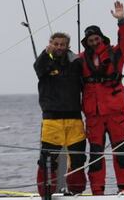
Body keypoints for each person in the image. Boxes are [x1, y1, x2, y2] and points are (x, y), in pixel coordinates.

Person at [79, 1, 124, 195]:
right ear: (86, 42)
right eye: (90, 40)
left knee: (122, 153)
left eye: (96, 38)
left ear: (101, 38)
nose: (93, 42)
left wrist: (121, 20)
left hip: (115, 113)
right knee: (95, 156)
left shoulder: (115, 53)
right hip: (94, 116)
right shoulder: (80, 59)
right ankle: (97, 194)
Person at [33, 32, 87, 196]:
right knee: (47, 160)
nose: (59, 47)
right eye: (56, 44)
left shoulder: (76, 62)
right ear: (50, 43)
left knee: (77, 159)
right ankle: (46, 192)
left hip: (74, 118)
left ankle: (76, 191)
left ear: (67, 46)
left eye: (62, 44)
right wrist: (45, 53)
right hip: (52, 119)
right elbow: (38, 68)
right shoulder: (44, 61)